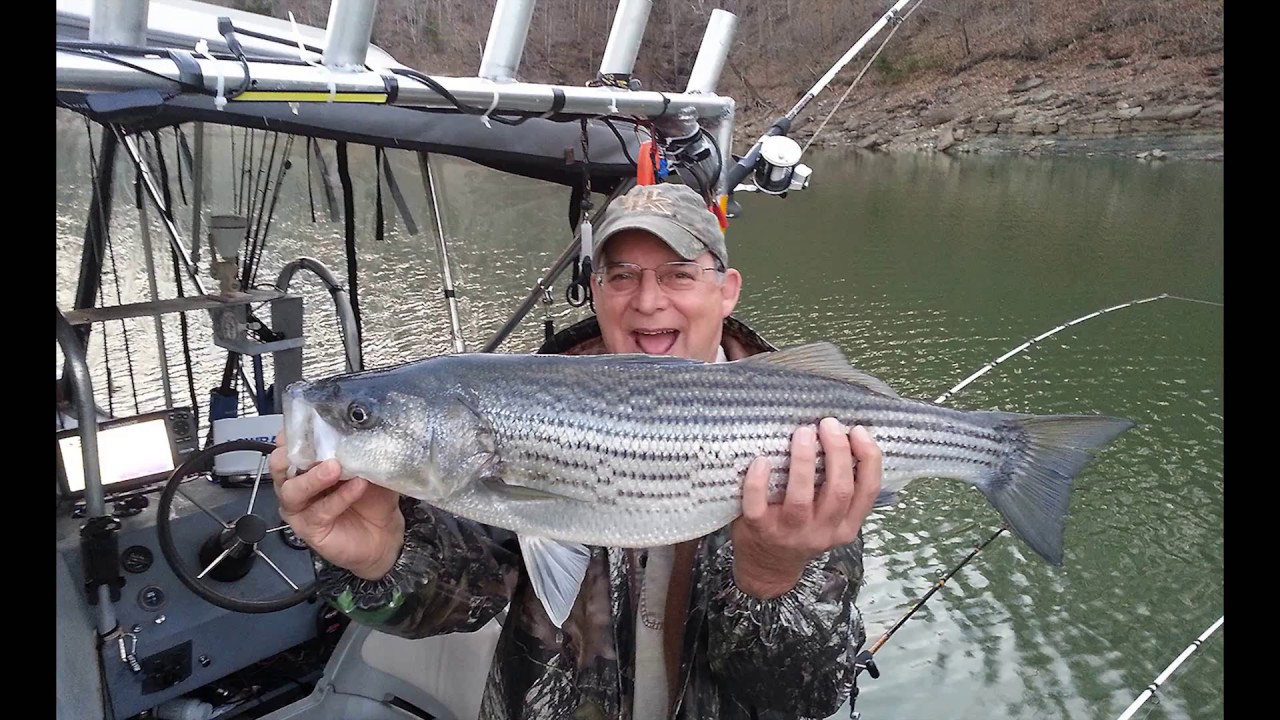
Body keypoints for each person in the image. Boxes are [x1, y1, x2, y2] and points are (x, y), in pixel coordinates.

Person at [269, 181, 883, 720]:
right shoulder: (519, 411)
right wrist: (379, 556)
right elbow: (456, 600)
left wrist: (771, 575)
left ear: (726, 291)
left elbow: (807, 694)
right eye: (622, 276)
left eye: (678, 273)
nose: (647, 300)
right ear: (595, 291)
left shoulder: (806, 440)